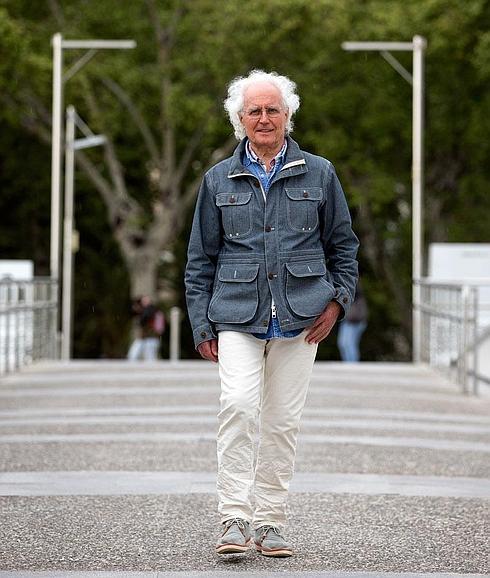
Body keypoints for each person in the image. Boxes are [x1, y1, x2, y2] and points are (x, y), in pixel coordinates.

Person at [185, 70, 358, 557]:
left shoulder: (320, 172)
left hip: (302, 320)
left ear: (287, 116)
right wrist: (202, 323)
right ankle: (234, 518)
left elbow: (343, 245)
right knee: (238, 407)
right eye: (254, 111)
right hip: (236, 315)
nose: (264, 118)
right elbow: (200, 258)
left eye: (272, 109)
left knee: (282, 422)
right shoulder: (217, 179)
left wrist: (337, 301)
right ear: (239, 120)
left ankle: (270, 522)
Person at [337, 282, 368, 362]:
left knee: (348, 344)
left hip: (353, 322)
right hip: (350, 321)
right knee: (345, 343)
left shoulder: (356, 294)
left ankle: (352, 365)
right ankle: (349, 363)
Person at [127, 295, 164, 361]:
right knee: (133, 355)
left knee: (150, 359)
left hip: (151, 338)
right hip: (145, 338)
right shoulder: (148, 310)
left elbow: (144, 319)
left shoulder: (151, 310)